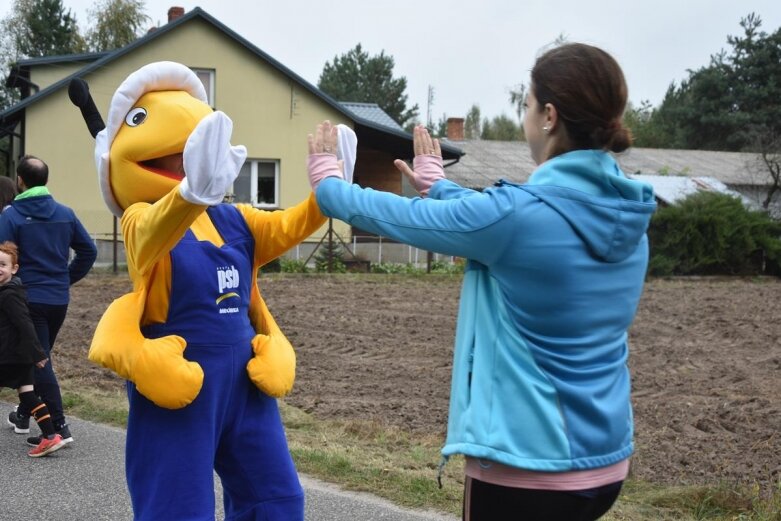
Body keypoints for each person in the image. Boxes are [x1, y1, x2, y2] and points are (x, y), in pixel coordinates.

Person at [308, 43, 656, 521]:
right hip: (606, 463)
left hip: (528, 466)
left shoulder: (517, 217)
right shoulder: (626, 217)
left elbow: (421, 218)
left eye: (528, 106)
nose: (526, 118)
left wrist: (330, 187)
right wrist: (439, 185)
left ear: (550, 115)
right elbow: (497, 220)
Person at [0, 155, 97, 447]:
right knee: (36, 355)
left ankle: (58, 428)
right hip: (58, 300)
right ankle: (23, 414)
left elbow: (4, 254)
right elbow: (89, 251)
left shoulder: (11, 216)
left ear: (20, 180)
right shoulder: (65, 213)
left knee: (40, 360)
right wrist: (65, 279)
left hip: (27, 299)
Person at [0, 241, 66, 457]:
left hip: (9, 356)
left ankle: (50, 436)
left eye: (3, 265)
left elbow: (25, 323)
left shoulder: (9, 294)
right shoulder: (11, 290)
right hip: (21, 355)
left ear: (14, 269)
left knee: (28, 395)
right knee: (28, 396)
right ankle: (50, 436)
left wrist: (38, 353)